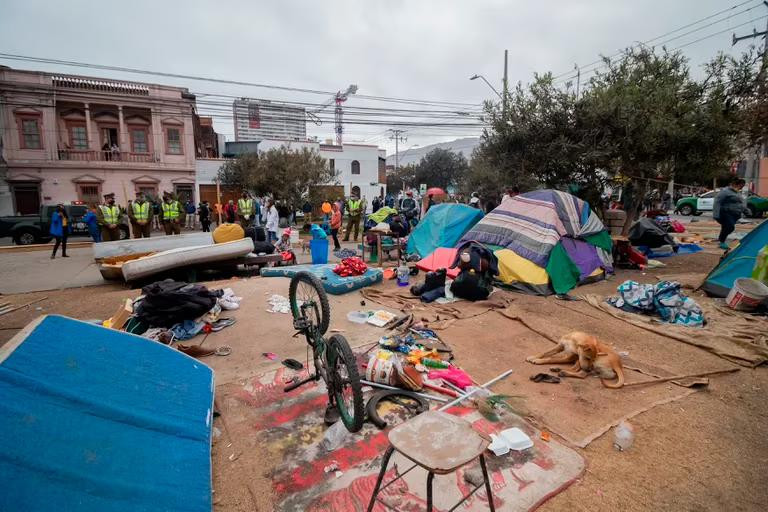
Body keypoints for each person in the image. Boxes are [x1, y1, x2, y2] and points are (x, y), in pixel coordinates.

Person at [713, 178, 749, 250]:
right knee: (730, 227)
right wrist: (716, 215)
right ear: (736, 184)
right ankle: (721, 241)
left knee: (726, 227)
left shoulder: (737, 193)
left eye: (742, 187)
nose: (741, 188)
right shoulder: (725, 191)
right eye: (740, 186)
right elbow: (717, 202)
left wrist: (746, 210)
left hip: (734, 215)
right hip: (725, 213)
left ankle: (721, 242)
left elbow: (740, 204)